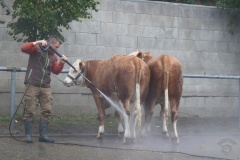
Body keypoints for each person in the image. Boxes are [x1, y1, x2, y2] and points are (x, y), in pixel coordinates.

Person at [21, 35, 68, 143]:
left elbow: (55, 71)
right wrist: (37, 42)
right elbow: (23, 48)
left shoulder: (53, 57)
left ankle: (43, 136)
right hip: (32, 84)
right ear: (50, 43)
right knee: (29, 110)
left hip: (46, 86)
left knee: (47, 110)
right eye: (56, 46)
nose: (57, 49)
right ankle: (28, 135)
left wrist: (62, 62)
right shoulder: (36, 49)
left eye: (58, 48)